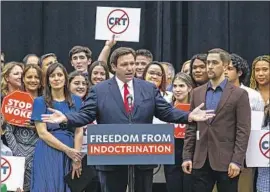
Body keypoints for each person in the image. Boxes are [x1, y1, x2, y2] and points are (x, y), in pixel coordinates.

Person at [41, 47, 215, 192]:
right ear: (114, 66)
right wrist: (66, 118)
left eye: (132, 63)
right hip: (111, 158)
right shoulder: (100, 90)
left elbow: (166, 112)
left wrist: (189, 116)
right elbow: (85, 114)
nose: (130, 68)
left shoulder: (147, 88)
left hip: (142, 158)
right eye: (125, 64)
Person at [182, 48, 251, 192]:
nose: (210, 66)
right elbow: (191, 127)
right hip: (200, 160)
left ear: (225, 66)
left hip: (227, 161)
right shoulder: (196, 93)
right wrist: (187, 156)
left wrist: (237, 160)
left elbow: (243, 131)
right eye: (208, 63)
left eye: (214, 62)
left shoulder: (239, 94)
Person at [30, 63, 83, 192]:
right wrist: (67, 150)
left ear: (65, 79)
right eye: (52, 76)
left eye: (60, 75)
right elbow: (42, 133)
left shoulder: (77, 101)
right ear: (47, 80)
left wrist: (76, 157)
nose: (56, 78)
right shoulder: (40, 102)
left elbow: (79, 130)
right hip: (48, 151)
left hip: (71, 151)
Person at [222, 53, 265, 192]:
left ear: (239, 72)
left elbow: (260, 124)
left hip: (247, 151)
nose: (225, 72)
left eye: (229, 68)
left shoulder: (253, 95)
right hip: (220, 150)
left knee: (244, 188)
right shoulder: (215, 94)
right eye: (223, 68)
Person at [4, 64, 42, 191]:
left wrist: (37, 127)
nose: (33, 80)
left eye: (36, 77)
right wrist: (18, 154)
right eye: (29, 77)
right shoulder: (14, 100)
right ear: (23, 79)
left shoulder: (47, 101)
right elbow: (8, 131)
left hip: (42, 153)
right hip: (18, 155)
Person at [164, 72, 194, 192]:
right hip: (171, 154)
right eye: (175, 86)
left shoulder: (195, 109)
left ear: (189, 88)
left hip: (190, 153)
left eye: (181, 86)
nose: (177, 89)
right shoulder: (166, 108)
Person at [250, 55, 270, 192]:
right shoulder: (249, 93)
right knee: (262, 176)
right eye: (257, 70)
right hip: (255, 143)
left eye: (265, 69)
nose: (260, 73)